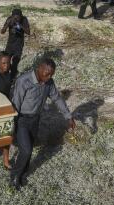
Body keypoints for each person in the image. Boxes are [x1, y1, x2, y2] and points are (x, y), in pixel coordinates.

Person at [10, 58, 76, 190]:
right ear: (39, 68)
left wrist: (68, 117)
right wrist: (13, 125)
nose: (49, 77)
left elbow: (57, 98)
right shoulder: (24, 81)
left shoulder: (49, 82)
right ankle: (14, 176)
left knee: (30, 148)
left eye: (52, 74)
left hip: (36, 119)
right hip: (22, 119)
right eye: (47, 73)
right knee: (26, 149)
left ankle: (23, 173)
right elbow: (15, 103)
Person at [1, 8, 30, 81]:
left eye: (18, 17)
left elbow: (28, 32)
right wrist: (8, 24)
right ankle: (5, 76)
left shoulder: (24, 19)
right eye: (15, 17)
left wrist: (19, 24)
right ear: (12, 16)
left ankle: (12, 78)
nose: (16, 19)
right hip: (10, 44)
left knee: (15, 62)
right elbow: (2, 31)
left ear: (21, 16)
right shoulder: (10, 19)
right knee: (6, 61)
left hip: (19, 45)